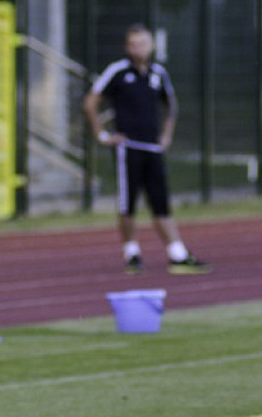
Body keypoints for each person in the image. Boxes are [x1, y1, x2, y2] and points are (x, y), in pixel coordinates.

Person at [83, 24, 210, 275]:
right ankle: (131, 253)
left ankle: (177, 254)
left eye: (142, 43)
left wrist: (166, 135)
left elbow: (170, 105)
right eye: (133, 44)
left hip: (153, 148)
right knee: (127, 203)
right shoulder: (117, 71)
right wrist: (102, 134)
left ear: (151, 45)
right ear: (127, 47)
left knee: (160, 201)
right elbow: (91, 101)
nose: (138, 48)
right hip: (127, 147)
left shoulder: (158, 73)